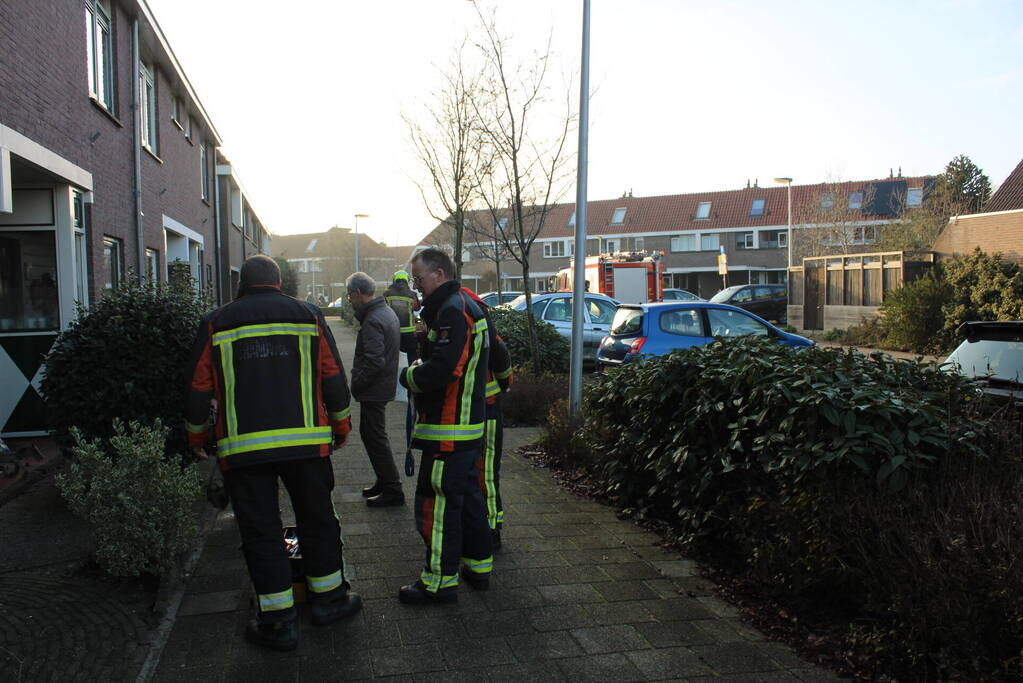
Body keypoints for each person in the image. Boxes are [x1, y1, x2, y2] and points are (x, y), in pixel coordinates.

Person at [184, 255, 362, 652]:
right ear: (280, 281)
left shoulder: (217, 322)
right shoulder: (308, 315)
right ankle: (329, 601)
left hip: (244, 451)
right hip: (306, 446)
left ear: (241, 283)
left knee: (260, 530)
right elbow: (333, 377)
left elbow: (197, 389)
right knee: (317, 520)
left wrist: (197, 438)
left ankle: (279, 623)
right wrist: (341, 427)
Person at [397, 248, 492, 604]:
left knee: (436, 505)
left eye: (418, 279)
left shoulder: (453, 311)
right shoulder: (463, 306)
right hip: (466, 430)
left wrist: (408, 377)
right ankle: (479, 567)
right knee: (468, 501)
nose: (416, 286)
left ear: (438, 273)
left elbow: (444, 370)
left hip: (449, 430)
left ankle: (438, 582)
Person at [460, 287, 513, 549]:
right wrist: (504, 384)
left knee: (483, 473)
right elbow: (501, 358)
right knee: (484, 471)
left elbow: (500, 354)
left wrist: (503, 384)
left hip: (480, 407)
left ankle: (492, 529)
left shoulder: (465, 313)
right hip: (484, 406)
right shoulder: (475, 313)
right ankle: (486, 526)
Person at [346, 272, 404, 507]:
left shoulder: (373, 319)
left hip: (374, 389)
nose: (349, 300)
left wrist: (356, 383)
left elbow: (374, 360)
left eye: (350, 295)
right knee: (373, 436)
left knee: (375, 437)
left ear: (359, 293)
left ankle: (393, 489)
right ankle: (384, 481)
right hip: (382, 386)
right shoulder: (385, 312)